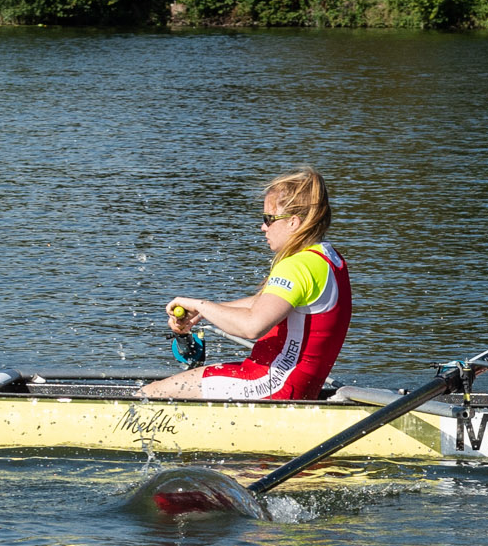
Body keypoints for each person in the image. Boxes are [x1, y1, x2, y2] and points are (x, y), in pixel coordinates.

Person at [141, 170, 351, 400]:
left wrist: (200, 305)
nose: (263, 227)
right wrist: (203, 314)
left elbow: (252, 326)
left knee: (149, 394)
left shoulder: (296, 266)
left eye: (268, 219)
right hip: (289, 385)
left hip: (271, 386)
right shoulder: (328, 259)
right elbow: (267, 302)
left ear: (293, 222)